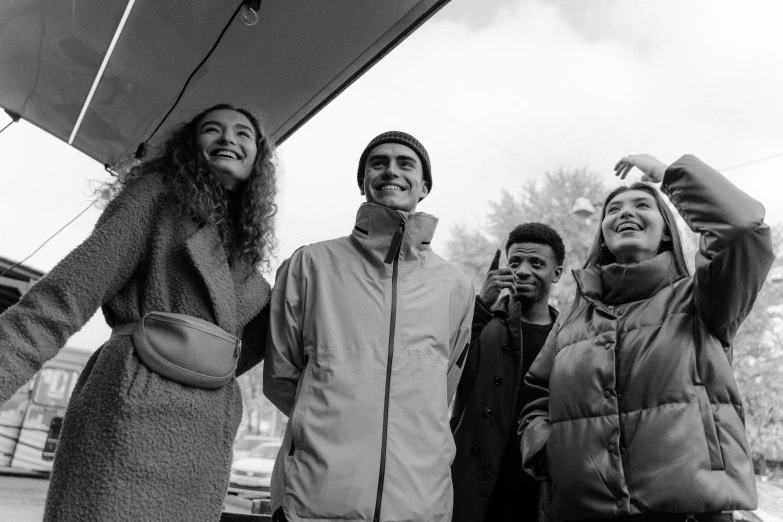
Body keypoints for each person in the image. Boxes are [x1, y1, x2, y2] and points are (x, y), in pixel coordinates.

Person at [0, 103, 277, 520]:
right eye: (212, 129)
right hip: (129, 412)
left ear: (258, 158)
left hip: (204, 440)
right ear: (189, 145)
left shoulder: (244, 255)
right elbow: (66, 294)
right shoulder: (154, 198)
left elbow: (259, 345)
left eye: (243, 134)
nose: (228, 139)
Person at [519, 154, 774, 522]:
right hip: (581, 511)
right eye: (613, 209)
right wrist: (546, 451)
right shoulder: (574, 318)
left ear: (667, 229)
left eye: (642, 205)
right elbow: (536, 400)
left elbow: (743, 228)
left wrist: (669, 176)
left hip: (690, 512)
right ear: (603, 234)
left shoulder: (703, 298)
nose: (625, 212)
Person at [264, 131, 475, 522]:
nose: (390, 169)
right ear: (363, 182)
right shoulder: (309, 265)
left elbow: (443, 386)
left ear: (424, 186)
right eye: (378, 163)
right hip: (315, 498)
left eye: (405, 163)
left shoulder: (456, 285)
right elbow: (280, 375)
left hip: (420, 502)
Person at [451, 223, 565, 521]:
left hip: (538, 487)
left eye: (536, 263)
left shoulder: (570, 336)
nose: (523, 271)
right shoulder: (482, 321)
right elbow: (441, 365)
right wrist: (480, 305)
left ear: (557, 273)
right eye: (515, 262)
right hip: (475, 484)